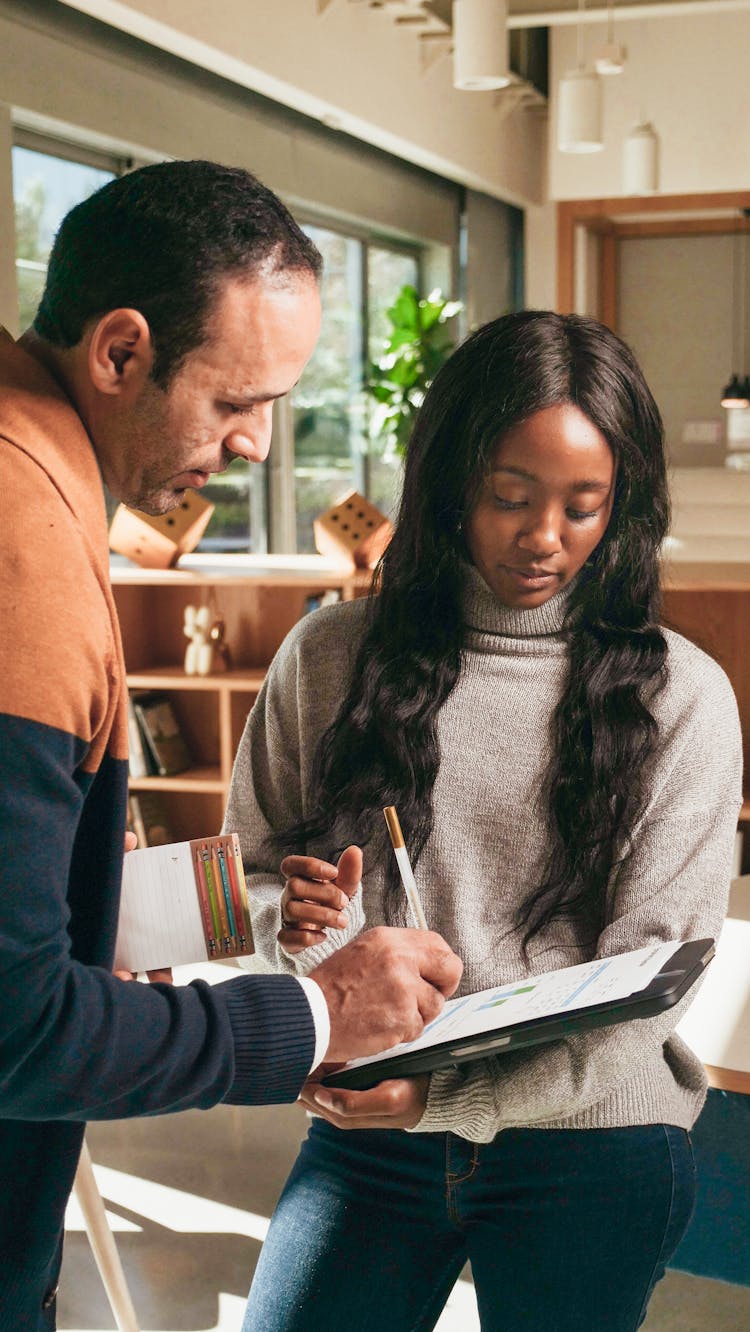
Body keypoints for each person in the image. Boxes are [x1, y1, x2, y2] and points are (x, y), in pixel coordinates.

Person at [0, 159, 462, 1329]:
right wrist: (319, 1014)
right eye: (235, 402)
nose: (260, 447)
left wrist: (234, 913)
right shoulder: (24, 555)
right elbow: (19, 1026)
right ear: (119, 352)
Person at [224, 309, 744, 1332]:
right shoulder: (329, 656)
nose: (545, 538)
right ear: (453, 481)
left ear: (623, 508)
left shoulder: (684, 696)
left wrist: (440, 1102)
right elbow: (249, 874)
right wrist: (285, 925)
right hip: (375, 1131)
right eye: (511, 496)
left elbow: (652, 986)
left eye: (585, 507)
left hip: (591, 1140)